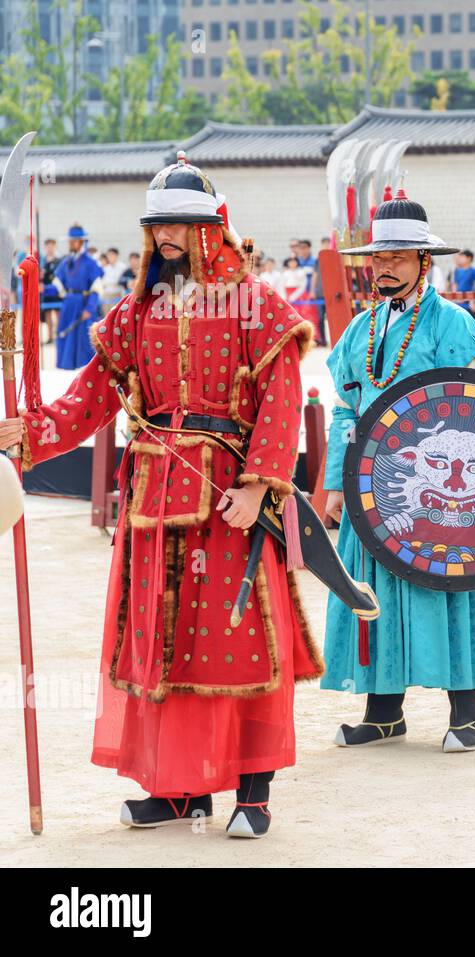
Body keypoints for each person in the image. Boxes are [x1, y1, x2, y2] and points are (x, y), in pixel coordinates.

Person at [0, 154, 319, 837]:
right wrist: (29, 433)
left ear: (212, 230)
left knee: (239, 643)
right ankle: (179, 790)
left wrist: (258, 483)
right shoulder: (133, 313)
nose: (166, 239)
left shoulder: (256, 302)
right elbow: (90, 397)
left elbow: (283, 394)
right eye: (158, 228)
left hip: (228, 498)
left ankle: (253, 790)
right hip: (152, 499)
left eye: (179, 226)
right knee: (163, 644)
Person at [321, 192, 475, 751]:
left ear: (426, 262)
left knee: (448, 586)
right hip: (372, 483)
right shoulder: (361, 328)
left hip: (444, 486)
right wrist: (333, 480)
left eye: (398, 258)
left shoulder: (455, 325)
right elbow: (346, 408)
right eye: (379, 258)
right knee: (376, 593)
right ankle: (383, 711)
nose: (385, 268)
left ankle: (465, 713)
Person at [53, 224, 102, 369]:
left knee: (84, 339)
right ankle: (67, 368)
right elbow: (57, 286)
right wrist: (41, 287)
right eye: (70, 241)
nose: (71, 244)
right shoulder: (67, 262)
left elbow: (96, 289)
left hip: (83, 304)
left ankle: (86, 371)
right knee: (66, 337)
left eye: (73, 240)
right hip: (69, 304)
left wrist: (89, 308)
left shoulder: (90, 263)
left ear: (81, 241)